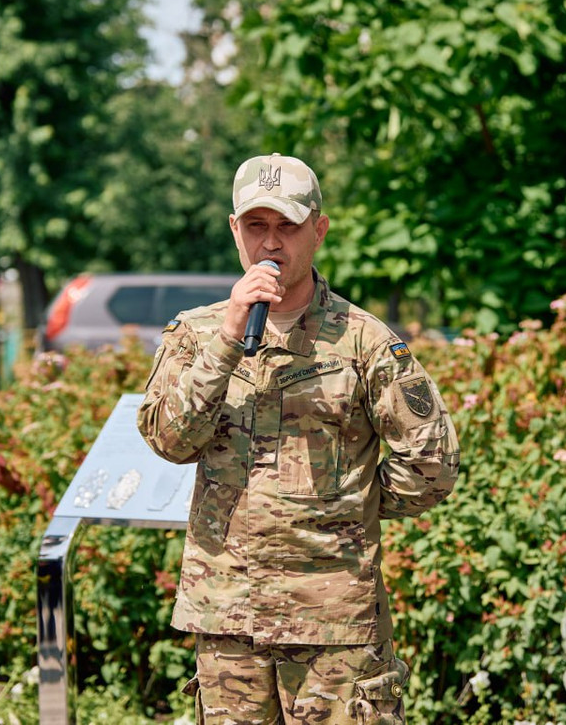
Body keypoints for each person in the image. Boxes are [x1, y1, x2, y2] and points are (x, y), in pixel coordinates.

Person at [137, 153, 460, 724]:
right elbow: (168, 439)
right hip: (227, 615)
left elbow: (430, 462)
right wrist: (229, 338)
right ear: (234, 230)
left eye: (287, 226)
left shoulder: (365, 341)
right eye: (257, 226)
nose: (271, 243)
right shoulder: (196, 335)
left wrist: (345, 506)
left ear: (319, 229)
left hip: (334, 616)